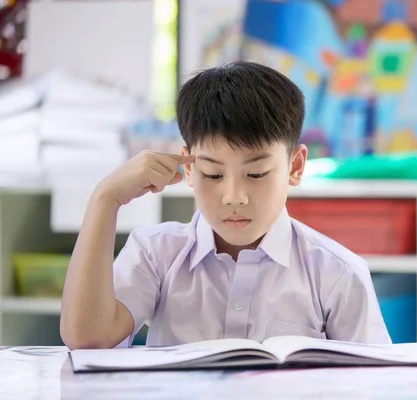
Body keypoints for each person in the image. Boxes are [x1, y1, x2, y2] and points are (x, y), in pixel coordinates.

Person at [60, 61, 391, 349]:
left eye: (256, 173)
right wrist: (105, 199)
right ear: (189, 169)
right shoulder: (156, 254)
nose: (234, 196)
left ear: (295, 167)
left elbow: (374, 387)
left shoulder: (337, 274)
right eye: (213, 174)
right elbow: (89, 339)